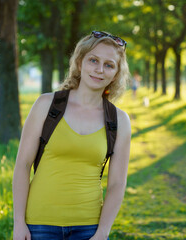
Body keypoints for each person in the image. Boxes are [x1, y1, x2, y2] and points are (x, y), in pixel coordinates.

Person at [13, 30, 131, 240]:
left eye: (109, 65)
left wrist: (102, 232)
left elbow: (117, 184)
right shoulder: (46, 105)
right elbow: (22, 165)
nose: (99, 70)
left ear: (116, 73)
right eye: (93, 60)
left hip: (88, 228)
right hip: (39, 224)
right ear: (79, 62)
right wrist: (19, 223)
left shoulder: (119, 120)